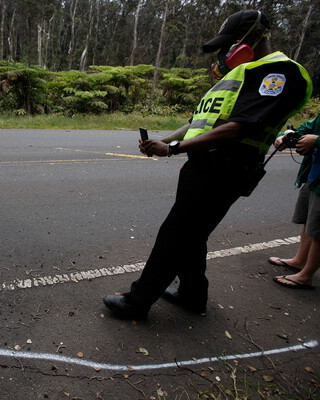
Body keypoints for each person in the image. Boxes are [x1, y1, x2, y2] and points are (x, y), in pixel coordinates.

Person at [103, 9, 313, 319]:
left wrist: (173, 148)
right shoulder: (237, 76)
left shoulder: (280, 72)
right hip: (201, 166)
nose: (225, 51)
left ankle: (138, 301)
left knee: (176, 233)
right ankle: (192, 295)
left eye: (230, 42)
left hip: (227, 167)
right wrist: (163, 141)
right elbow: (200, 123)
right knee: (191, 233)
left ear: (255, 35)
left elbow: (238, 127)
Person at [268, 114, 320, 289]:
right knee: (307, 218)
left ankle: (306, 275)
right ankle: (299, 261)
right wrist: (285, 136)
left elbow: (315, 137)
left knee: (319, 229)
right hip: (314, 174)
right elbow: (305, 128)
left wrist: (317, 140)